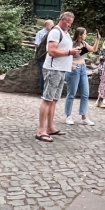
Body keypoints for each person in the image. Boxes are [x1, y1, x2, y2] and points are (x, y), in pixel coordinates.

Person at [35, 11, 74, 142]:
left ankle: (50, 127)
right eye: (67, 22)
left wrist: (71, 60)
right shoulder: (55, 32)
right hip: (53, 70)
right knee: (47, 99)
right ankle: (41, 131)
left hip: (61, 70)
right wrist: (70, 52)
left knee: (54, 100)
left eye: (71, 23)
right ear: (62, 20)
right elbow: (51, 51)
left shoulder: (65, 33)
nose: (69, 25)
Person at [65, 28, 100, 126]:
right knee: (71, 93)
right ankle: (68, 116)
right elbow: (64, 55)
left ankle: (84, 116)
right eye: (85, 34)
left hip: (83, 69)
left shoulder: (83, 44)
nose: (86, 35)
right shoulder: (71, 44)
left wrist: (97, 40)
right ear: (80, 35)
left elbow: (94, 49)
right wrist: (69, 65)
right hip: (74, 69)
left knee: (85, 93)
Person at [34, 19, 54, 92]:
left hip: (49, 56)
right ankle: (43, 90)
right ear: (47, 25)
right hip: (41, 56)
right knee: (44, 72)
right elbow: (37, 45)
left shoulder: (52, 33)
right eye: (51, 25)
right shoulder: (40, 33)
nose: (52, 27)